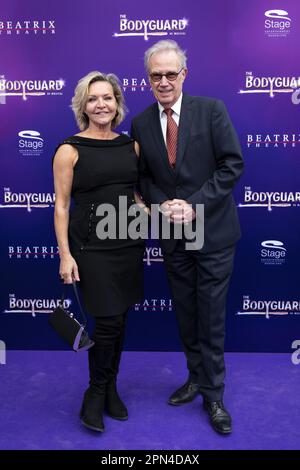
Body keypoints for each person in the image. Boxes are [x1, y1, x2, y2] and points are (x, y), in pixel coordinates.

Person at [131, 40, 244, 434]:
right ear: (148, 79)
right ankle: (196, 377)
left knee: (211, 317)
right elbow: (143, 176)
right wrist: (165, 205)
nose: (163, 81)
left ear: (184, 74)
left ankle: (214, 395)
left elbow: (232, 165)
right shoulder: (142, 122)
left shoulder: (212, 111)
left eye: (170, 74)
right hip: (172, 234)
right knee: (186, 312)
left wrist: (193, 204)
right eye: (155, 75)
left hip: (211, 232)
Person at [53, 71, 145, 433]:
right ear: (83, 106)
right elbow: (61, 206)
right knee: (106, 322)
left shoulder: (130, 146)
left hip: (128, 243)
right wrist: (65, 255)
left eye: (107, 97)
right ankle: (94, 393)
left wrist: (153, 212)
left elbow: (135, 195)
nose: (101, 104)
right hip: (90, 248)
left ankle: (110, 388)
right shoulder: (69, 149)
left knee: (118, 320)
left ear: (117, 103)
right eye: (93, 99)